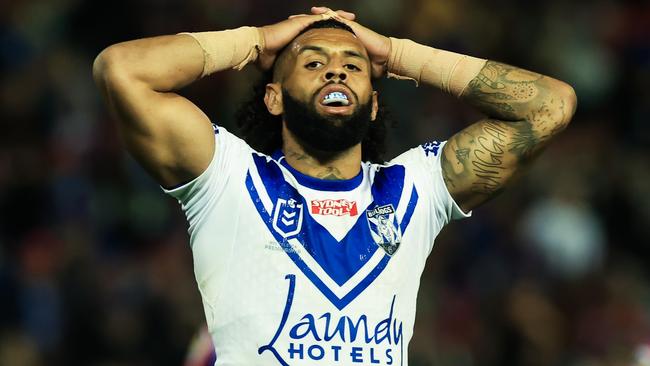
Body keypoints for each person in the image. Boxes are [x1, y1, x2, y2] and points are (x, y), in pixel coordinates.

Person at [93, 6, 576, 365]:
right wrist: (257, 41)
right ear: (274, 98)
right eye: (312, 62)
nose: (336, 68)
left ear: (371, 105)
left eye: (353, 63)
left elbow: (550, 104)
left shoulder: (415, 189)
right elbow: (123, 69)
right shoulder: (227, 179)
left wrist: (399, 53)